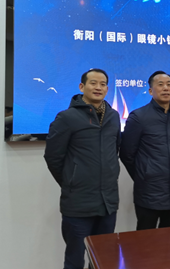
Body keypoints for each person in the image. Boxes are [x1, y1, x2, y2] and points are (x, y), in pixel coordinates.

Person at [44, 69, 121, 269]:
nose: (98, 87)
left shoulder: (113, 116)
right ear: (82, 87)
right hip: (78, 203)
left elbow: (115, 151)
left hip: (107, 202)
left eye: (103, 84)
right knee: (75, 259)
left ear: (107, 89)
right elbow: (53, 157)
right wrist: (71, 181)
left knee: (102, 259)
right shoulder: (67, 117)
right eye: (93, 83)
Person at [120, 71, 170, 230]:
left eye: (169, 84)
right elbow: (127, 153)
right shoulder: (139, 117)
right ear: (151, 91)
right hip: (148, 191)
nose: (166, 88)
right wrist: (143, 174)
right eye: (160, 84)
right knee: (146, 239)